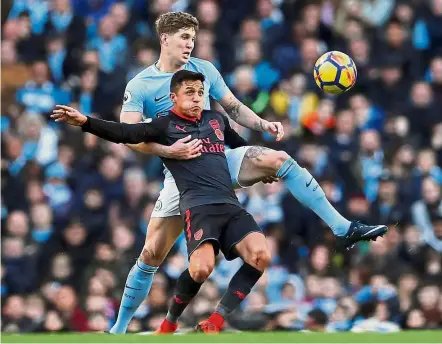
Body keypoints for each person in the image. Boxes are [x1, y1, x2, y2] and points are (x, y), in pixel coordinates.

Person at [67, 11, 388, 335]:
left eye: (193, 38)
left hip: (219, 157)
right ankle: (119, 330)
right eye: (184, 38)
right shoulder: (140, 85)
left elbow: (232, 108)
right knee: (151, 254)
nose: (190, 44)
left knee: (278, 159)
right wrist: (169, 151)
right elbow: (129, 135)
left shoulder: (204, 70)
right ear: (164, 39)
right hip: (182, 174)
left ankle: (342, 227)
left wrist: (262, 124)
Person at [51, 70, 273, 333]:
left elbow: (240, 149)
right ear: (173, 97)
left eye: (201, 93)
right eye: (189, 93)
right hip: (198, 208)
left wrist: (262, 168)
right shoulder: (163, 125)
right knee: (202, 270)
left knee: (261, 256)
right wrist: (86, 121)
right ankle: (168, 324)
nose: (197, 98)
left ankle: (215, 321)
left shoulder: (216, 120)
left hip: (230, 204)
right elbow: (125, 132)